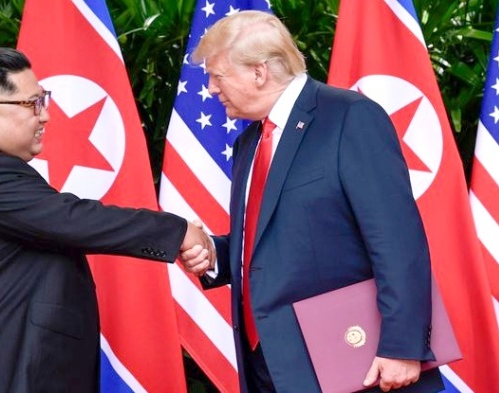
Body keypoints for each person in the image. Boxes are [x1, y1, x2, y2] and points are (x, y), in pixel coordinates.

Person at [179, 11, 443, 393]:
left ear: (258, 72)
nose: (211, 88)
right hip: (270, 366)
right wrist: (215, 254)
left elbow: (397, 239)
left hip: (357, 364)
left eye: (218, 76)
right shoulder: (249, 142)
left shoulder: (350, 117)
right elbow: (274, 239)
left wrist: (403, 346)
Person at [0, 47, 211, 393]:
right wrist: (178, 231)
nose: (44, 116)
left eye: (43, 99)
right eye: (32, 104)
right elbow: (73, 220)